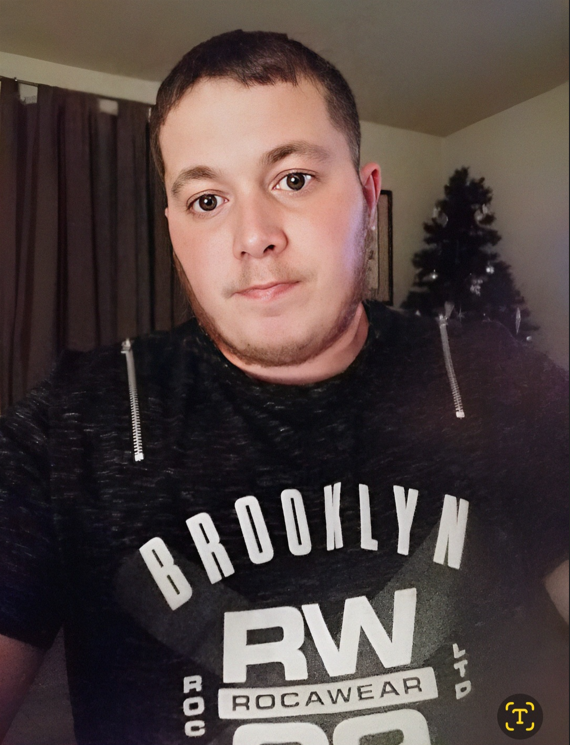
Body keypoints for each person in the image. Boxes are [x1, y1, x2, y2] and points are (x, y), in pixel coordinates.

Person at [0, 30, 567, 745]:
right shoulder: (72, 425)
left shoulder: (494, 380)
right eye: (207, 199)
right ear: (173, 230)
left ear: (367, 198)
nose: (254, 235)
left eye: (293, 179)